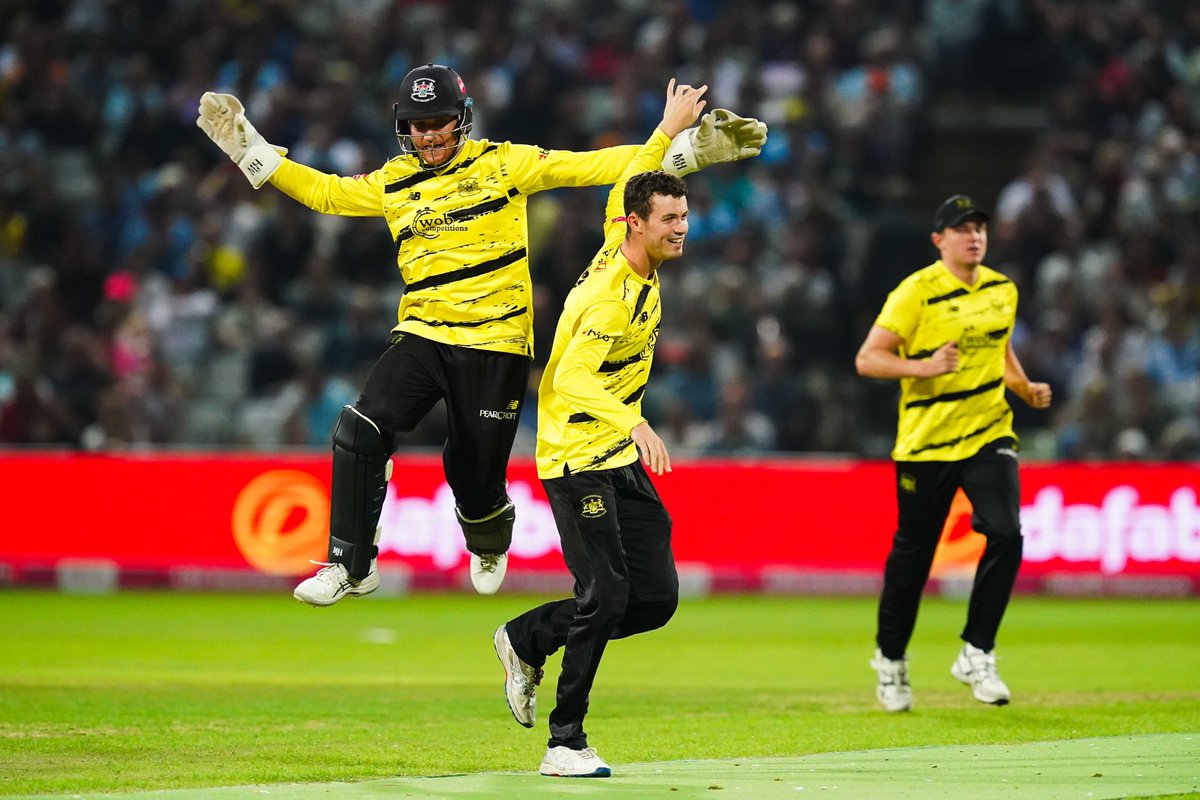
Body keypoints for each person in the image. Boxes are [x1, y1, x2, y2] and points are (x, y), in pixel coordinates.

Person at [195, 65, 766, 602]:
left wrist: (682, 150)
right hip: (423, 333)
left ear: (461, 118)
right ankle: (349, 564)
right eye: (418, 126)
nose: (430, 135)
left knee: (472, 480)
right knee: (361, 426)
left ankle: (489, 535)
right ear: (404, 129)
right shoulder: (393, 181)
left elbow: (592, 167)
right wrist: (251, 150)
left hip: (497, 344)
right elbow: (324, 192)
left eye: (439, 122)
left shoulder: (505, 164)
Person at [491, 79, 757, 779]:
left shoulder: (625, 239)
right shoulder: (611, 297)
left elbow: (630, 186)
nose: (681, 226)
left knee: (654, 599)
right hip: (579, 455)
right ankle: (564, 742)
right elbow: (570, 377)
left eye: (684, 214)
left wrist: (667, 132)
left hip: (612, 451)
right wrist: (632, 420)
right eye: (668, 217)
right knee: (607, 592)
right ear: (640, 224)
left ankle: (527, 637)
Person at [855, 195, 1053, 712]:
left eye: (980, 227)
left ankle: (977, 651)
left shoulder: (1001, 289)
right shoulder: (915, 293)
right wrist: (923, 367)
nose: (975, 236)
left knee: (1006, 532)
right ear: (939, 239)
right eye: (962, 228)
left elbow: (999, 348)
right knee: (913, 557)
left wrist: (1024, 386)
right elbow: (868, 359)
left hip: (989, 432)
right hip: (926, 443)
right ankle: (891, 661)